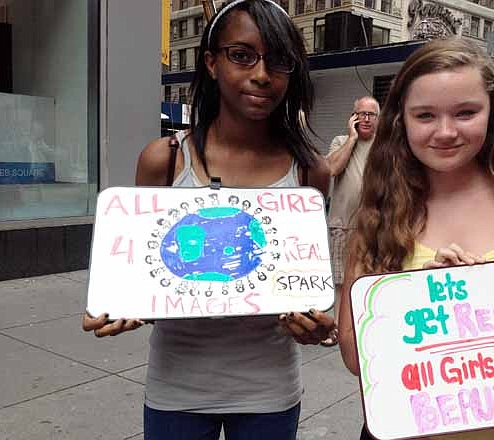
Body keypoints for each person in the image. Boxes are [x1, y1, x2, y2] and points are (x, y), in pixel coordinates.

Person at [82, 1, 335, 439]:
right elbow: (149, 271)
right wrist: (127, 306)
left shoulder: (311, 171)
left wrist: (317, 326)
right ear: (211, 62)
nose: (261, 74)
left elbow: (300, 278)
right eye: (242, 55)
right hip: (176, 389)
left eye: (278, 61)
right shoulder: (164, 159)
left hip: (269, 392)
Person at [337, 38, 494, 440]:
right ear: (400, 120)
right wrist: (417, 296)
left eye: (466, 113)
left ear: (493, 114)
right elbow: (356, 358)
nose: (445, 132)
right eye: (424, 115)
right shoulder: (378, 211)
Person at [323, 95, 380, 346]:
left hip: (376, 226)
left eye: (371, 114)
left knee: (370, 278)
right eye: (361, 114)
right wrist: (352, 138)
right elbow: (331, 169)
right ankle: (337, 330)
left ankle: (363, 329)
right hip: (343, 223)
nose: (366, 119)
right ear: (353, 117)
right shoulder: (340, 141)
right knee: (340, 281)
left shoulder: (385, 145)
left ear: (378, 119)